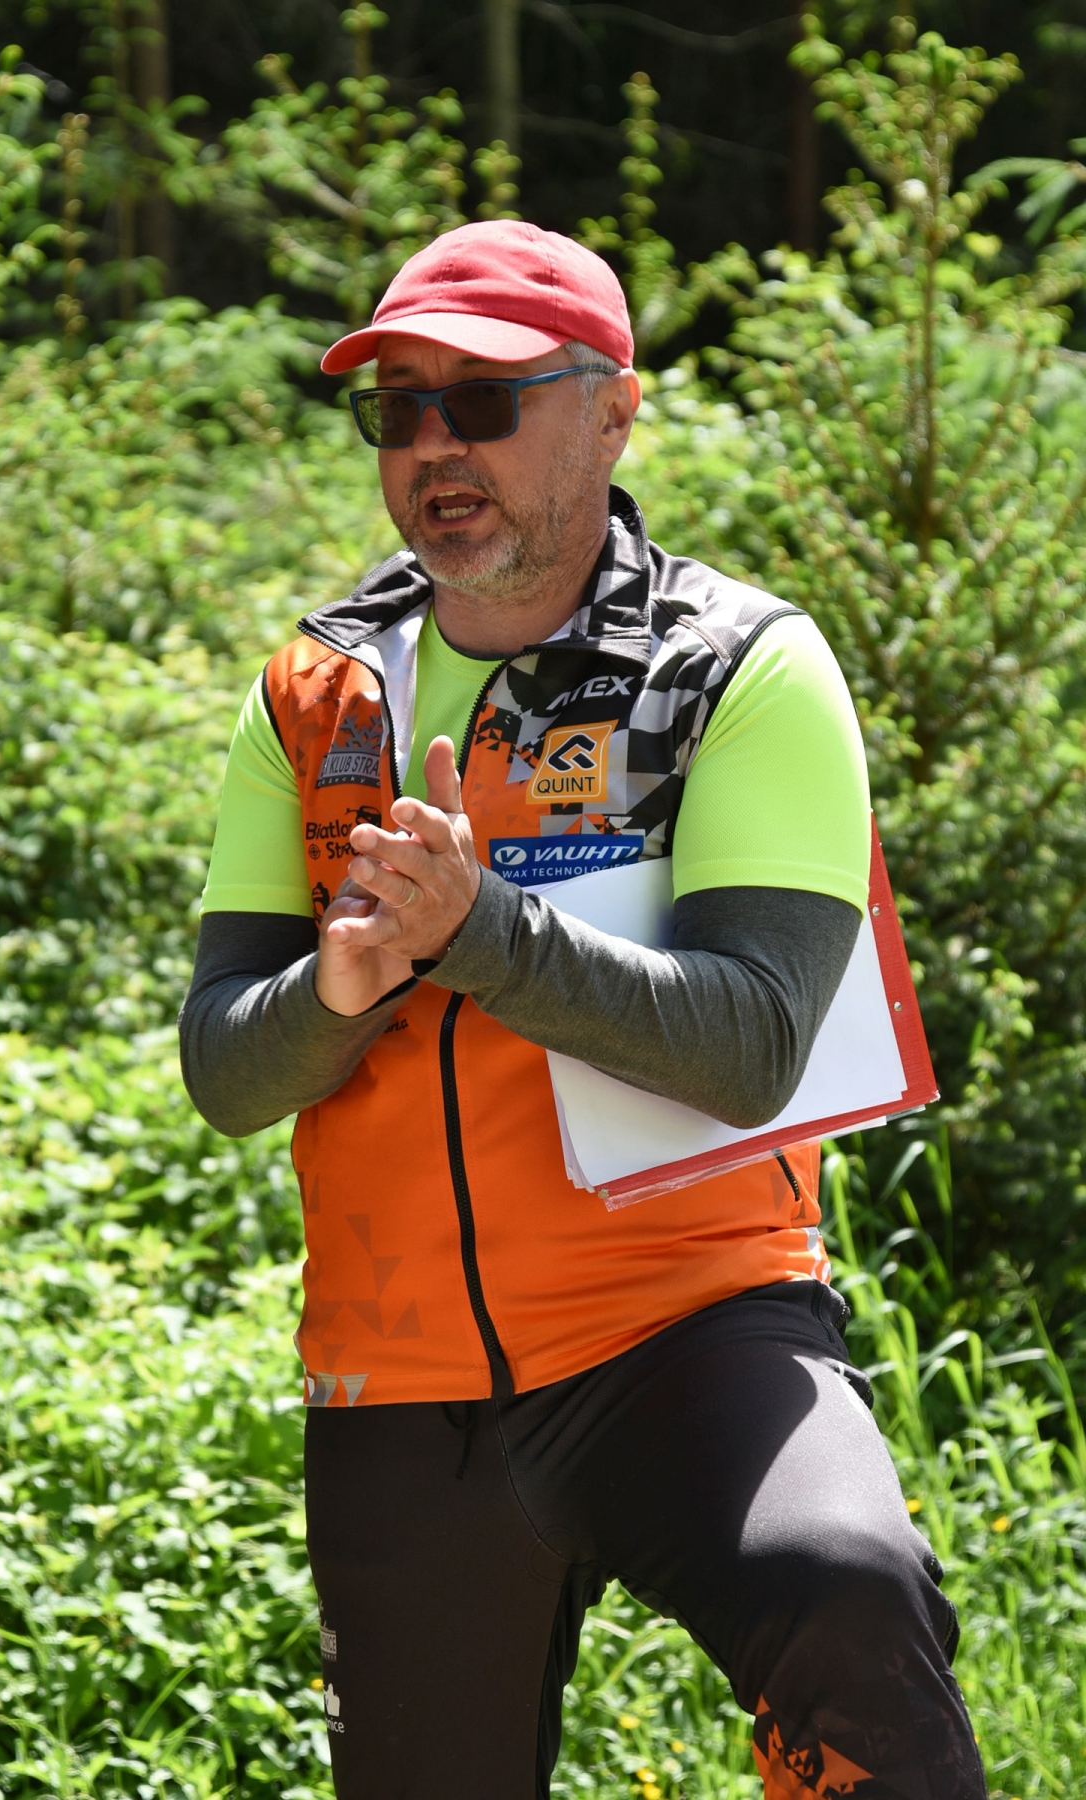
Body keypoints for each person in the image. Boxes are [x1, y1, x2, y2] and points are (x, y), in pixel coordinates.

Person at [179, 220, 985, 1800]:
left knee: (849, 1595)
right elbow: (225, 1070)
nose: (433, 447)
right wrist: (340, 985)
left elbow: (757, 1044)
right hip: (400, 1373)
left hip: (690, 1326)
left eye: (481, 401)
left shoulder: (739, 665)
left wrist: (479, 932)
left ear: (613, 413)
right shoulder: (316, 694)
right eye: (398, 410)